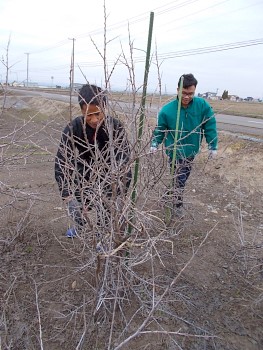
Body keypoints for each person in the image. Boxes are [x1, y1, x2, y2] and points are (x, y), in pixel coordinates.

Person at [55, 84, 132, 239]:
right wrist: (67, 196)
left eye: (98, 113)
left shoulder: (115, 127)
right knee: (80, 205)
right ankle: (81, 226)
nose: (94, 120)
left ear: (105, 107)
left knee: (107, 208)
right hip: (85, 170)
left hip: (111, 173)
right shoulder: (74, 127)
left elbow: (124, 160)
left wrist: (116, 189)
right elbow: (62, 161)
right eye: (88, 115)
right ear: (82, 110)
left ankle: (104, 233)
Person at [150, 73, 218, 215]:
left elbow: (209, 125)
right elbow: (160, 129)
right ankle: (177, 205)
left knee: (182, 177)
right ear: (178, 90)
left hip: (191, 150)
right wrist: (155, 143)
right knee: (179, 178)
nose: (187, 97)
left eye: (191, 93)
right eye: (184, 93)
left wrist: (213, 145)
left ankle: (168, 196)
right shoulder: (168, 110)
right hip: (174, 151)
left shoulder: (202, 106)